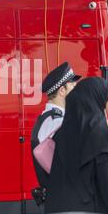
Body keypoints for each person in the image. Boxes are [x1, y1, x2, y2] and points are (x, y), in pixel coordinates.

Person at [44, 77, 108, 214]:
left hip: (58, 211)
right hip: (90, 212)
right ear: (99, 99)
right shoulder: (102, 136)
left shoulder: (61, 134)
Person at [30, 62, 81, 203]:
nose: (76, 91)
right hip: (65, 198)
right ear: (62, 91)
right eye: (72, 86)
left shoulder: (48, 118)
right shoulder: (57, 122)